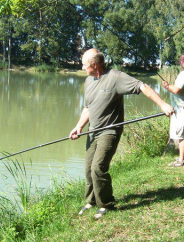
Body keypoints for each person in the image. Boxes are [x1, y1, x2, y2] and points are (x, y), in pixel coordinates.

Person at [69, 49, 174, 219]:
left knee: (98, 167)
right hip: (92, 131)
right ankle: (91, 201)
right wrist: (79, 126)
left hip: (110, 130)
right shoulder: (89, 81)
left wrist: (162, 104)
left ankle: (106, 204)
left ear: (94, 65)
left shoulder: (115, 77)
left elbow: (143, 86)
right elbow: (88, 107)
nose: (82, 67)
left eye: (84, 65)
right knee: (88, 168)